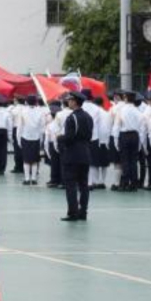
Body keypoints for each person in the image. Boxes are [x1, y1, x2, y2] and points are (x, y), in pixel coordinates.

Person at [61, 91, 94, 222]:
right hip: (85, 153)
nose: (68, 102)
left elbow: (69, 137)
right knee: (84, 185)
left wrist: (59, 138)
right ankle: (83, 212)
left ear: (75, 101)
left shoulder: (72, 117)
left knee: (71, 185)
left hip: (72, 154)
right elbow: (90, 135)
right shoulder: (88, 116)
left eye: (70, 100)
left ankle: (72, 212)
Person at [113, 91, 144, 192]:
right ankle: (134, 183)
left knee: (125, 160)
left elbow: (117, 126)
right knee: (134, 161)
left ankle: (124, 183)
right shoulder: (137, 111)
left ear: (125, 98)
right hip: (135, 135)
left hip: (124, 135)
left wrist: (115, 140)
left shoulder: (121, 111)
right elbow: (141, 127)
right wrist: (140, 142)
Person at [17, 95, 44, 185]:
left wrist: (18, 139)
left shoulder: (23, 112)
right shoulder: (40, 112)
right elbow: (42, 127)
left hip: (25, 137)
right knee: (35, 159)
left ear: (26, 102)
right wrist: (41, 139)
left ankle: (27, 178)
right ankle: (34, 178)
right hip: (36, 138)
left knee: (26, 159)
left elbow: (19, 127)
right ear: (36, 102)